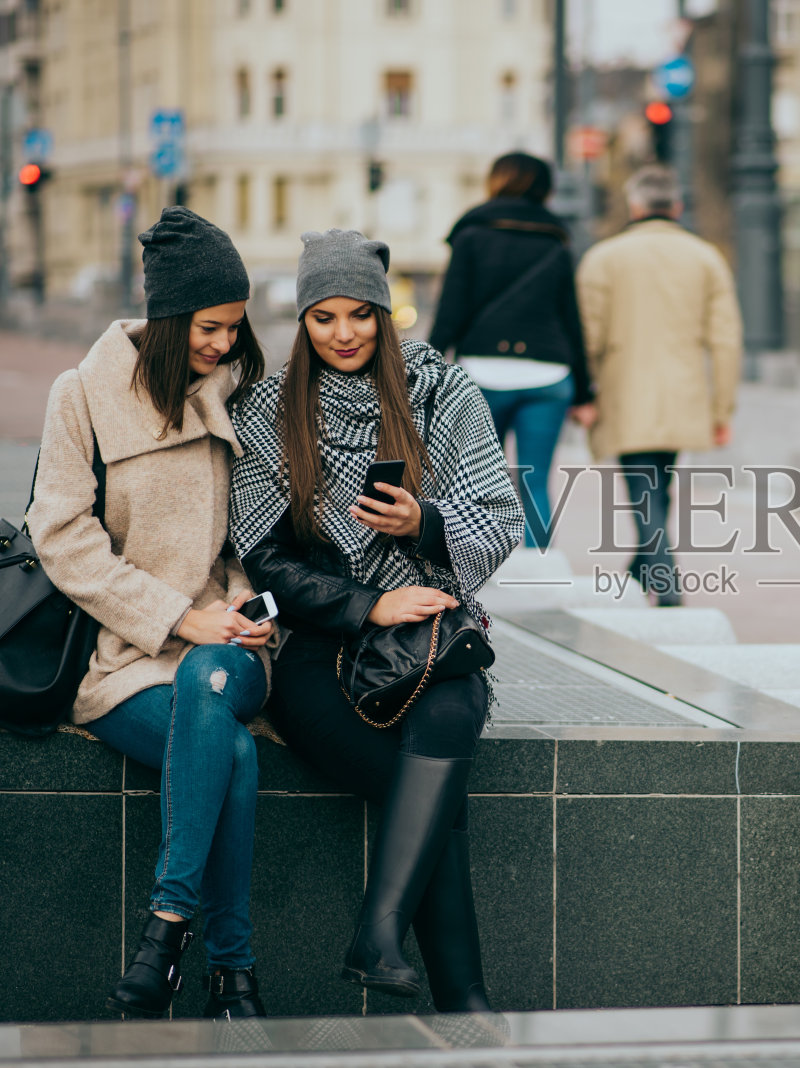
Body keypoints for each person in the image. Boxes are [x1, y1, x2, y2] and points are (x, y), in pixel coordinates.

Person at [230, 229, 521, 1012]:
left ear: (386, 314)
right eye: (323, 317)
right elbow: (263, 557)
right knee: (430, 795)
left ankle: (390, 939)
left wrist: (423, 524)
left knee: (450, 722)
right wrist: (366, 604)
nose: (345, 333)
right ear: (302, 320)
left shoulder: (441, 391)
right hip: (317, 646)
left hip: (432, 633)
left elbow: (501, 515)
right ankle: (455, 994)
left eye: (361, 314)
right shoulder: (268, 409)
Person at [27, 207, 274, 1020]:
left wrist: (239, 600)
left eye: (234, 329)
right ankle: (230, 972)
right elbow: (63, 539)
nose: (224, 345)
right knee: (231, 756)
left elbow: (259, 533)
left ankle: (163, 935)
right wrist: (174, 615)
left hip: (231, 644)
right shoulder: (82, 397)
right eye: (210, 328)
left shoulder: (238, 393)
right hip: (125, 657)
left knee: (211, 681)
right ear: (168, 318)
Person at [576, 165, 743, 606]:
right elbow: (726, 340)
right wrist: (722, 409)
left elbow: (588, 337)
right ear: (677, 206)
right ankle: (640, 577)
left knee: (645, 491)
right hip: (684, 396)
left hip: (624, 393)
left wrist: (584, 395)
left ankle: (667, 592)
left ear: (634, 206)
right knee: (656, 488)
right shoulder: (707, 258)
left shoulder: (603, 258)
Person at [428, 152, 593, 549]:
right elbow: (572, 320)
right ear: (544, 189)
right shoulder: (557, 241)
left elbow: (450, 313)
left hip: (482, 374)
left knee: (478, 481)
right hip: (548, 376)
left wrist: (426, 375)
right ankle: (538, 570)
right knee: (535, 480)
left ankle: (478, 569)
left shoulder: (470, 237)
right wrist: (586, 394)